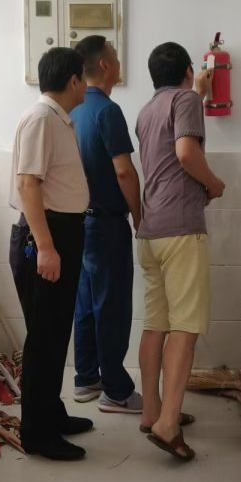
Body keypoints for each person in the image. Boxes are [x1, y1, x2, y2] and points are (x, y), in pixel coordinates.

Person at [135, 41, 225, 461]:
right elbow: (186, 153)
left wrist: (198, 93)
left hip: (151, 232)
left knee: (156, 324)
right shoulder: (186, 100)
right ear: (189, 71)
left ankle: (151, 411)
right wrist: (214, 184)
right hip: (181, 230)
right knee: (185, 328)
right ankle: (168, 424)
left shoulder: (147, 110)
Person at [9, 46, 92, 461]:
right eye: (83, 78)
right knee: (44, 338)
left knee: (56, 333)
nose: (86, 86)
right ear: (73, 80)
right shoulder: (42, 118)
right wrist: (45, 247)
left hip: (61, 232)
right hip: (47, 236)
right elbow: (28, 184)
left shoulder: (57, 119)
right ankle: (37, 434)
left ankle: (51, 413)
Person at [70, 35, 144, 414]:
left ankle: (86, 377)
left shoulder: (74, 109)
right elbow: (123, 171)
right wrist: (139, 215)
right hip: (107, 224)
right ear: (104, 65)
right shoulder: (107, 111)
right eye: (114, 56)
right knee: (112, 306)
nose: (117, 62)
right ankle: (115, 390)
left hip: (79, 223)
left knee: (85, 302)